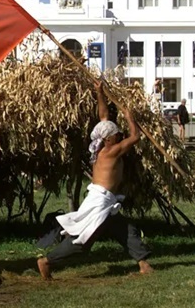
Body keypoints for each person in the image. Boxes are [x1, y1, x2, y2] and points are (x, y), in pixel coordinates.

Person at [37, 81, 153, 280]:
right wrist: (129, 117)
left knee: (125, 230)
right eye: (116, 134)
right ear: (108, 139)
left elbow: (103, 117)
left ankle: (143, 264)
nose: (119, 135)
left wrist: (99, 93)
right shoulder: (111, 151)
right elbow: (135, 137)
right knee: (82, 242)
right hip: (100, 202)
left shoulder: (99, 146)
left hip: (105, 201)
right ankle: (47, 261)